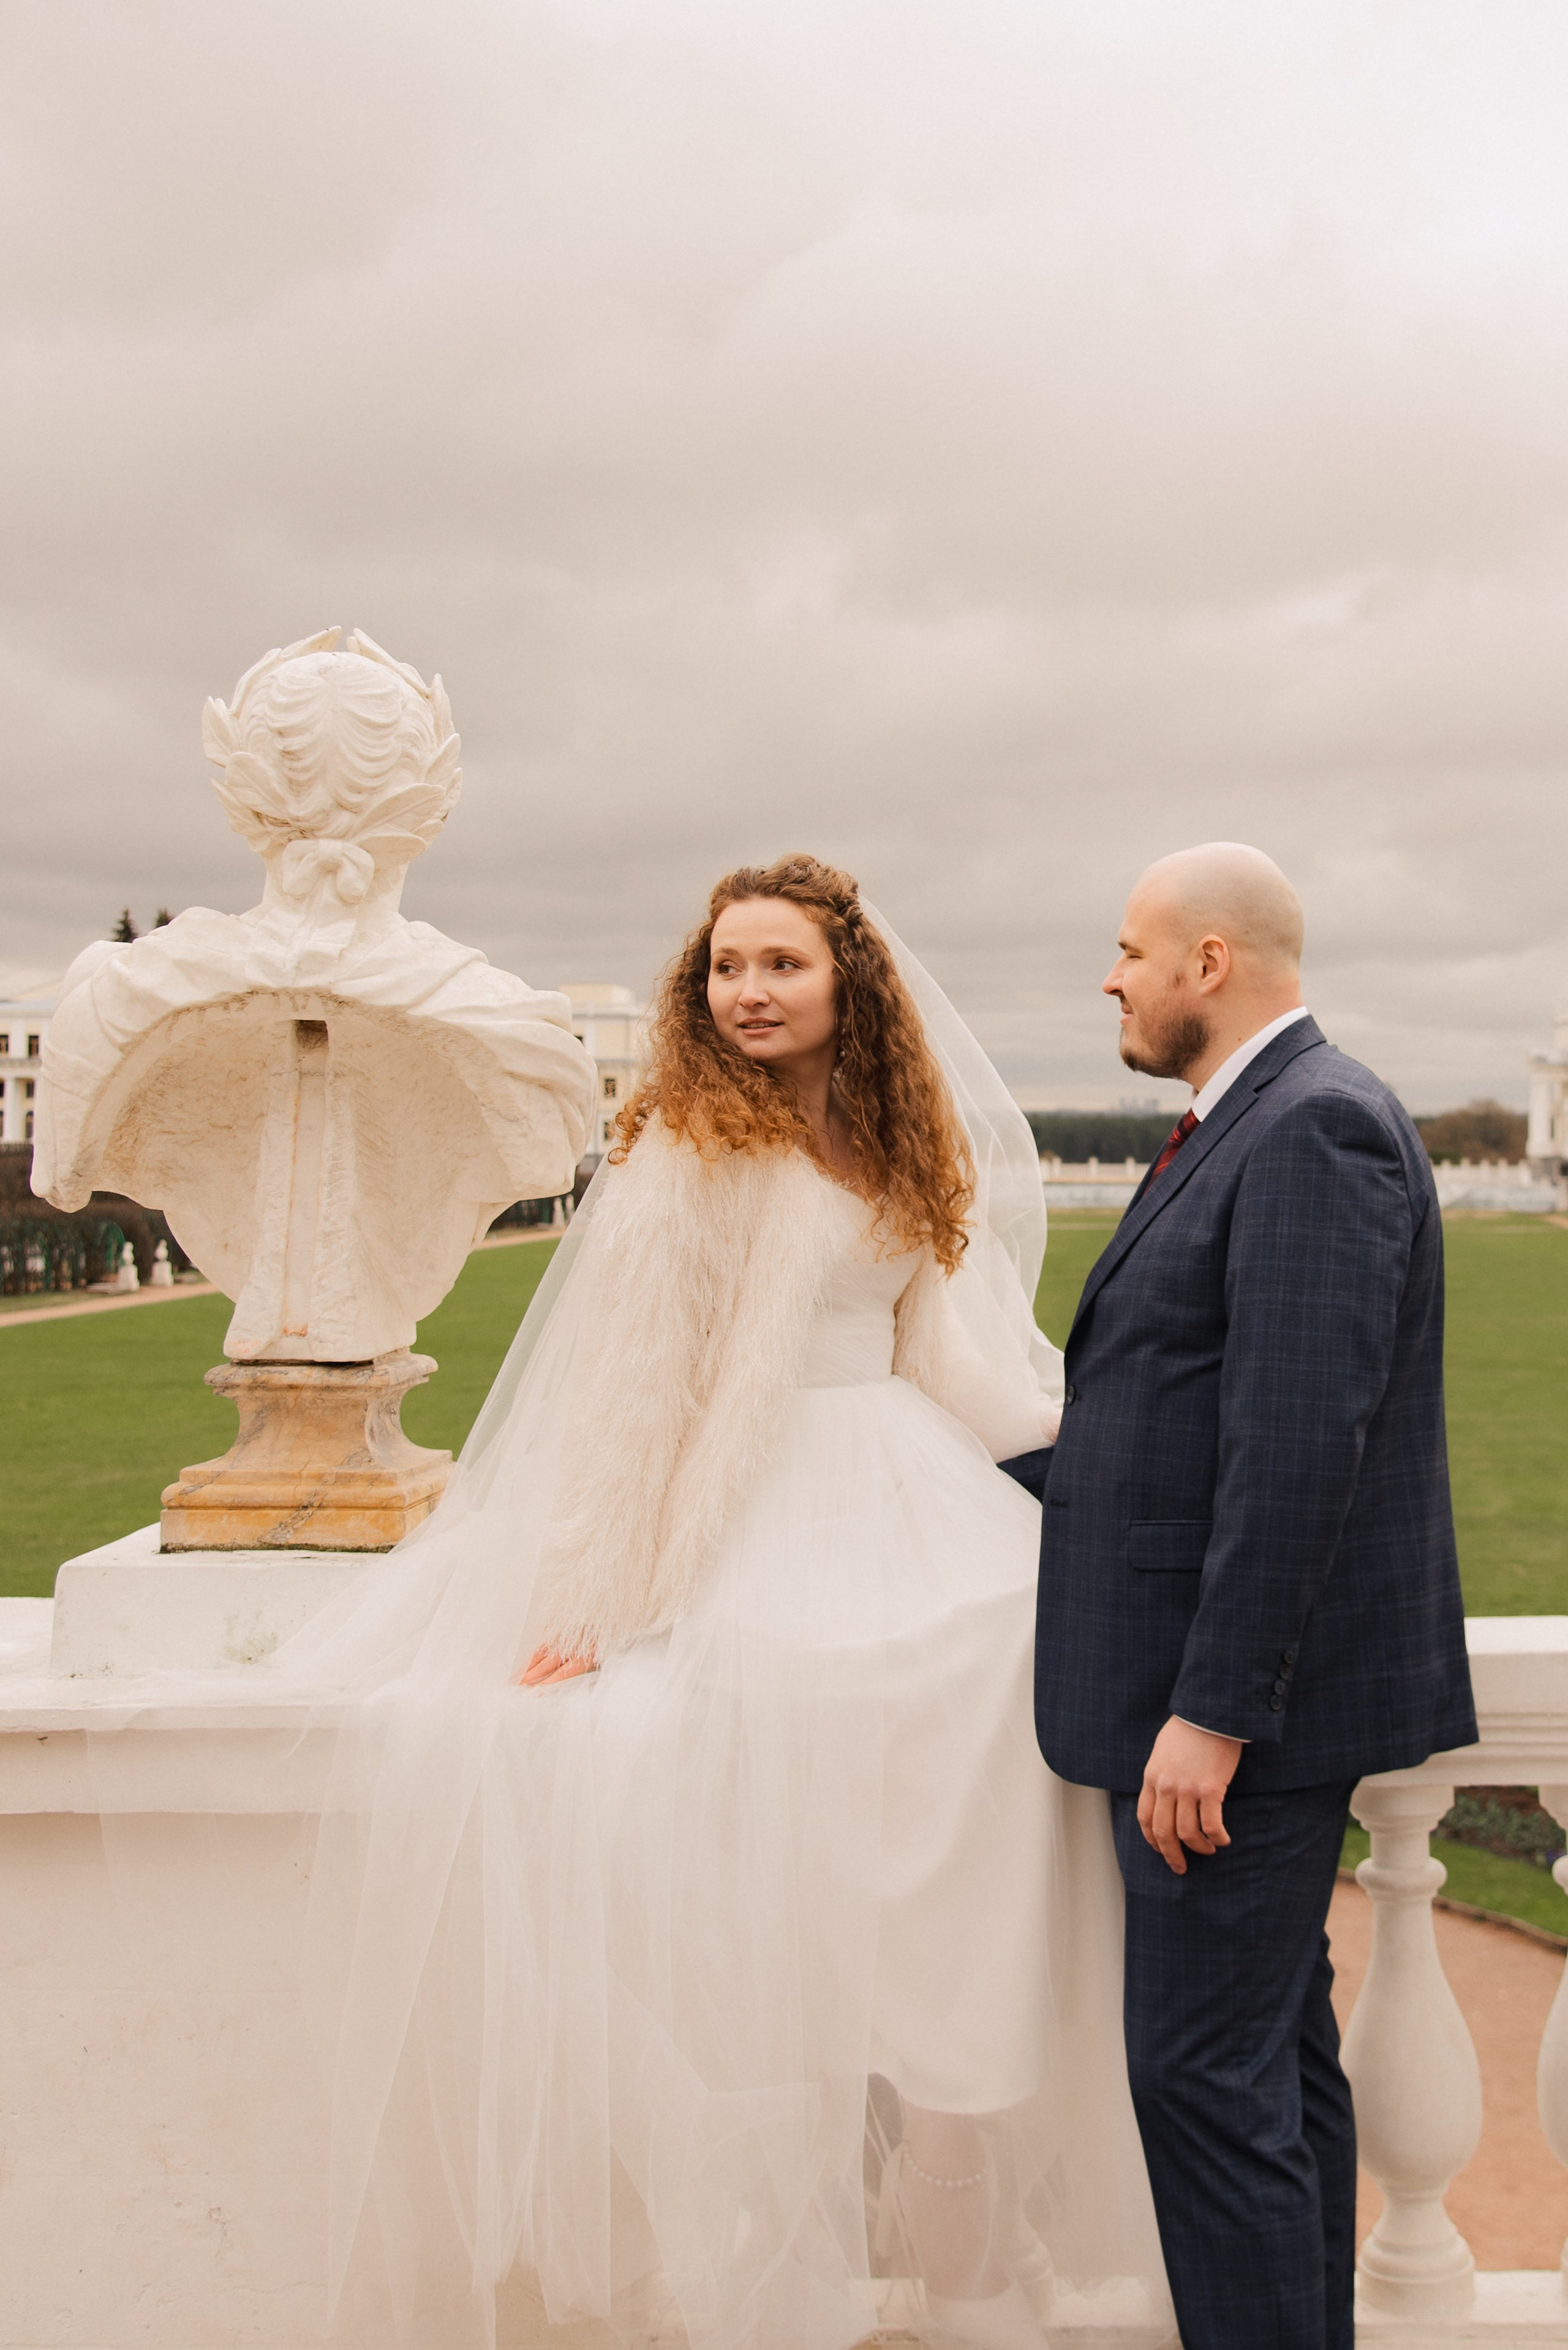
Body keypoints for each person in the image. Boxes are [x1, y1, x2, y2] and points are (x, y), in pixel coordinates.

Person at [279, 856, 1170, 2350]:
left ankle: (964, 2279)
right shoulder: (684, 1146)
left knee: (982, 1796)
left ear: (849, 986)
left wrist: (1095, 1438)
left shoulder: (898, 1138)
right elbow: (630, 1403)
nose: (746, 993)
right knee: (776, 1932)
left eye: (781, 966)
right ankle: (787, 2290)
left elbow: (936, 1361)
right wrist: (593, 1602)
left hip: (904, 1490)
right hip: (751, 1517)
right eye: (725, 968)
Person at [1026, 843, 1477, 2350]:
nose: (1111, 975)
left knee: (1202, 2083)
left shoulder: (1308, 1128)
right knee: (1269, 2071)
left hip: (1230, 1724)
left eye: (1128, 949)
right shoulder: (1255, 1118)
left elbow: (1291, 1448)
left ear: (1206, 964)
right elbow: (1169, 1412)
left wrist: (1210, 1708)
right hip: (1216, 1703)